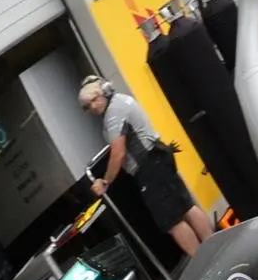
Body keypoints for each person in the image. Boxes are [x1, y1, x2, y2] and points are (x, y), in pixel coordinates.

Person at [77, 77, 218, 256]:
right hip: (158, 157)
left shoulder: (113, 113)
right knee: (185, 205)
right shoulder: (122, 99)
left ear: (97, 97)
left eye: (88, 106)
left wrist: (105, 181)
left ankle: (202, 260)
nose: (90, 111)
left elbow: (118, 153)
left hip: (148, 166)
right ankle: (215, 248)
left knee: (171, 221)